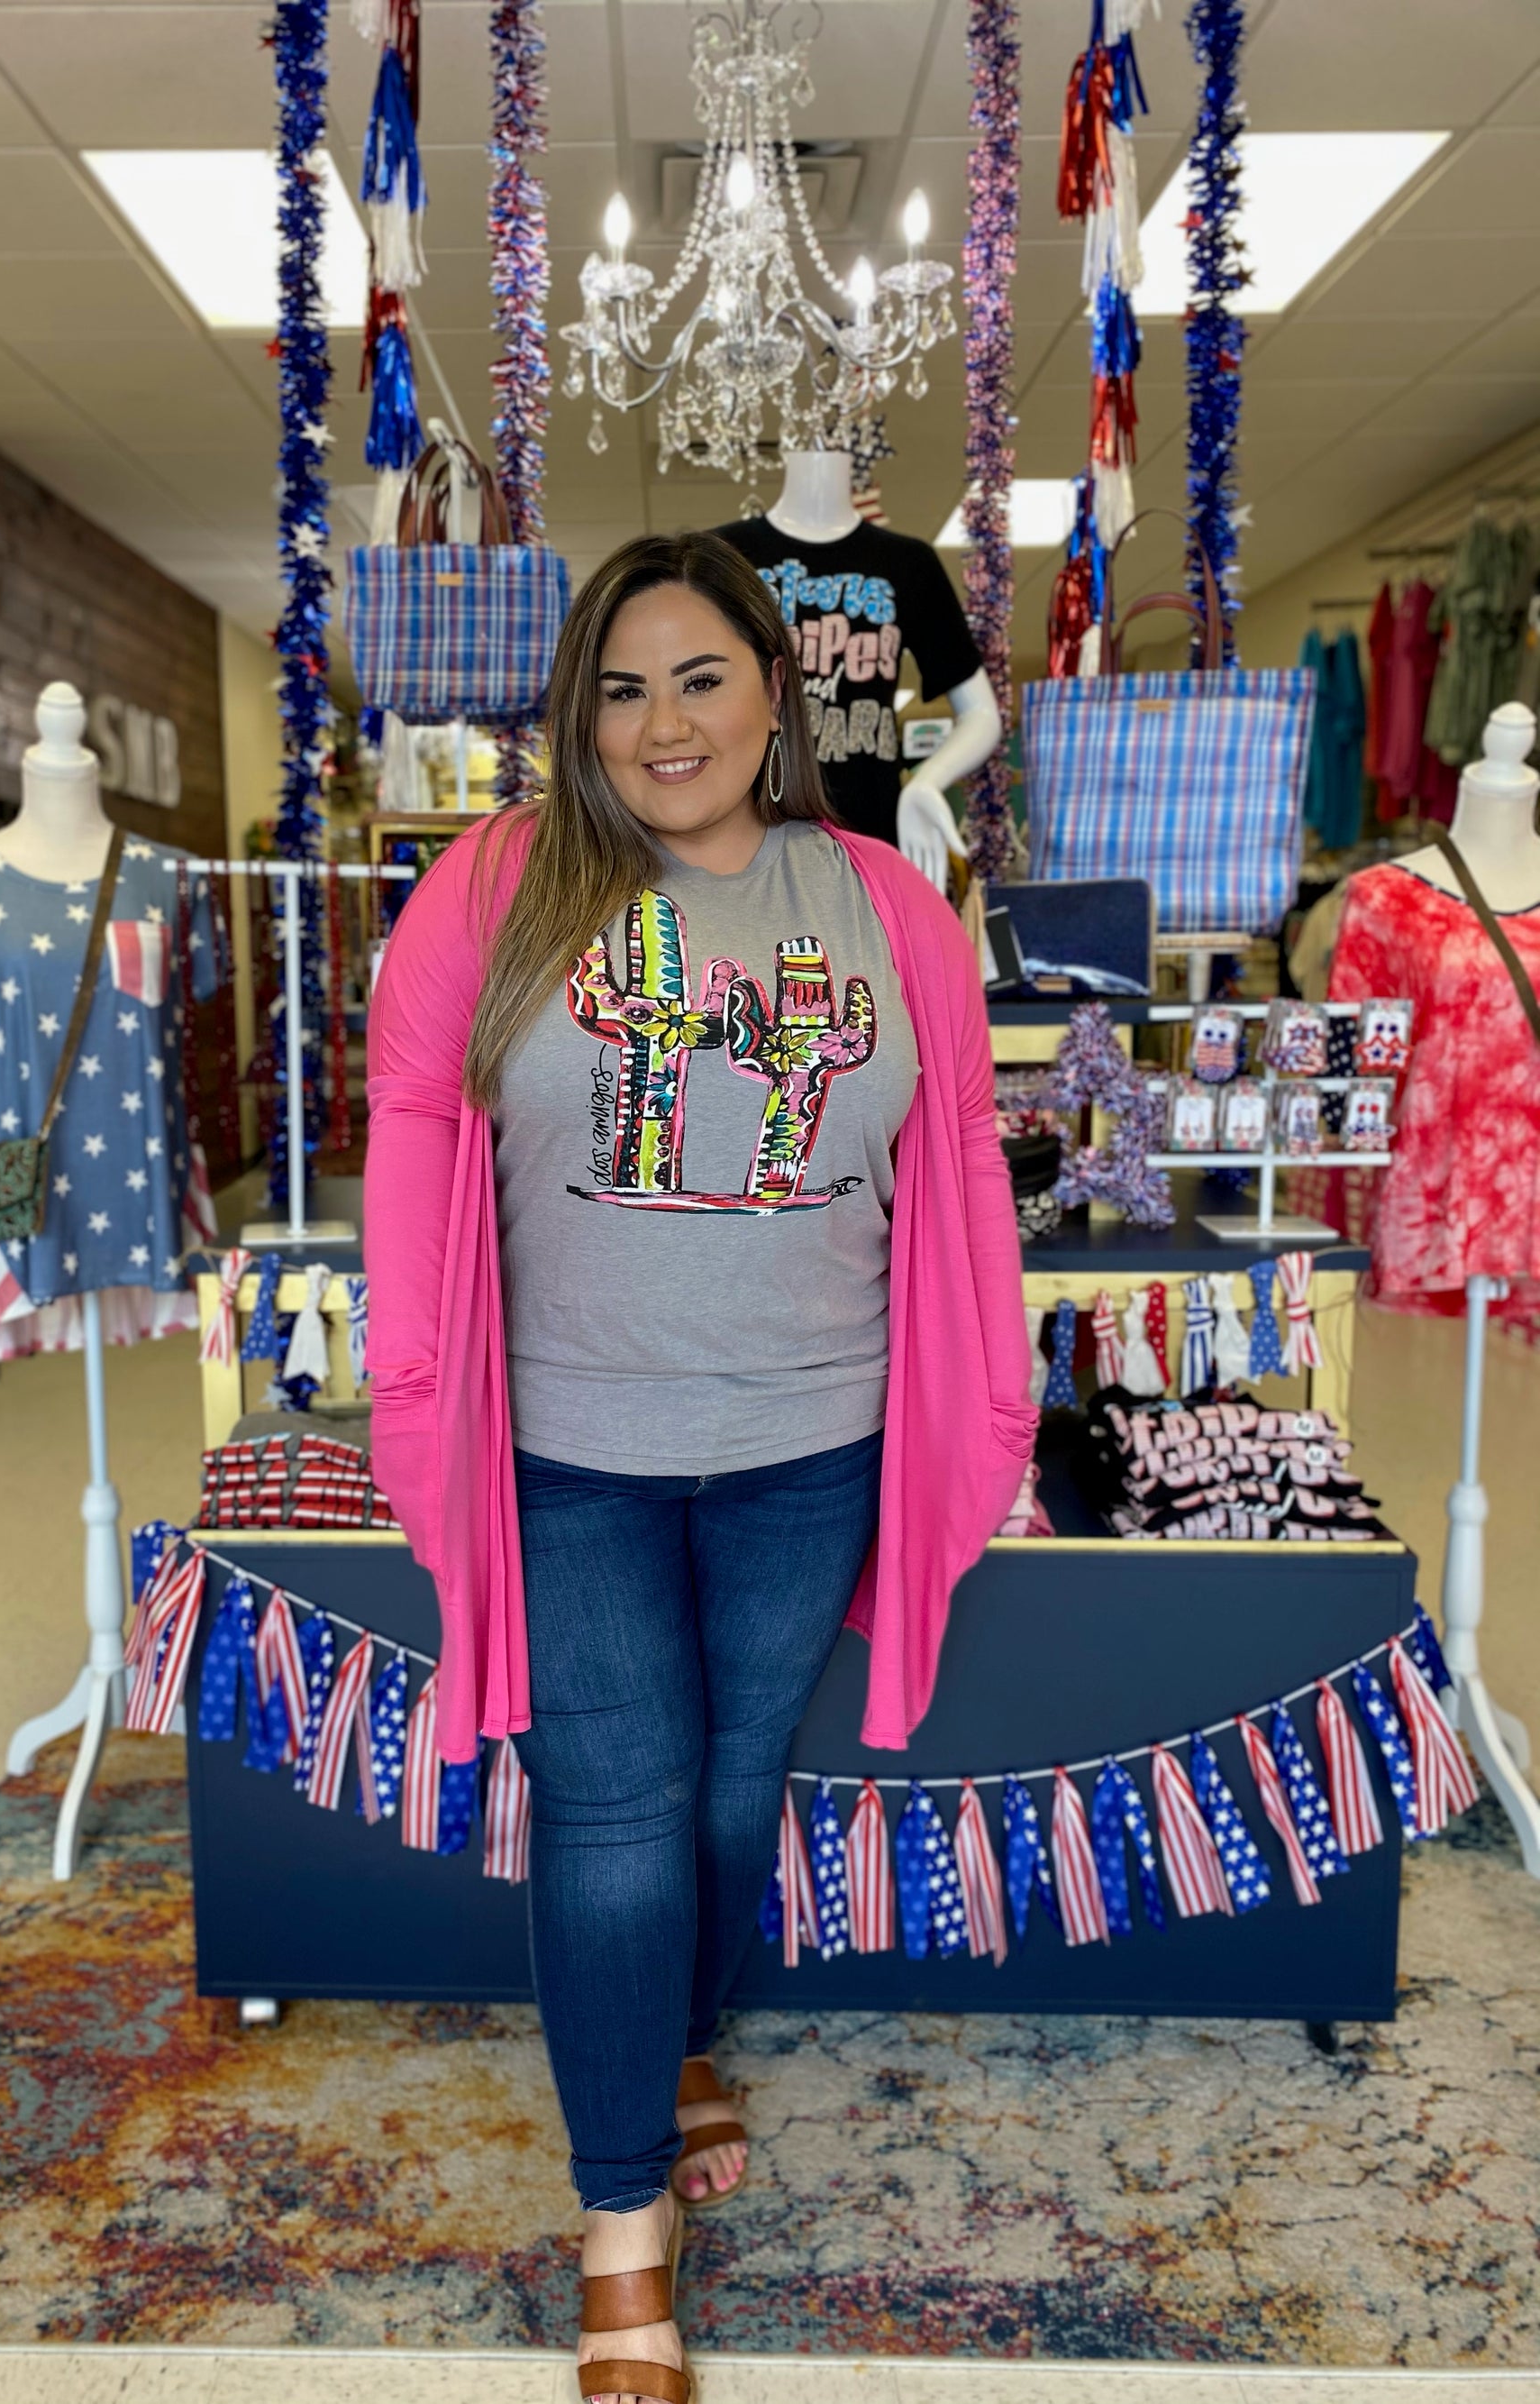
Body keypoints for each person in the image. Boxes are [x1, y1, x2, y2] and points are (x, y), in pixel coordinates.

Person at [363, 533, 1035, 2404]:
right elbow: (416, 1135)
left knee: (738, 1785)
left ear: (774, 691)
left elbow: (959, 1160)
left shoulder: (886, 898)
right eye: (620, 685)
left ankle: (671, 2041)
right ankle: (620, 2225)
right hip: (565, 1446)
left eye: (701, 677)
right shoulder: (494, 886)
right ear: (575, 712)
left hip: (813, 1437)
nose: (663, 723)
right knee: (609, 1806)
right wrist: (415, 1381)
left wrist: (975, 1397)